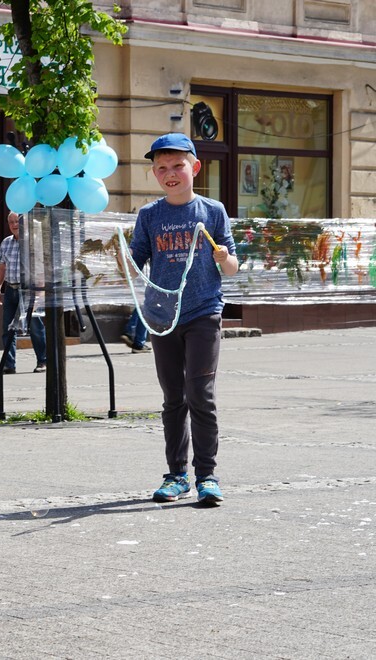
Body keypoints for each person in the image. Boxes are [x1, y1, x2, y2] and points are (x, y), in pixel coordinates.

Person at [130, 133, 238, 506]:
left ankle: (207, 475)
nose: (170, 173)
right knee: (173, 398)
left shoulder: (213, 211)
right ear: (155, 174)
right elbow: (134, 264)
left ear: (194, 167)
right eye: (162, 168)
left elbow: (234, 268)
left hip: (204, 313)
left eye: (178, 166)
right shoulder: (149, 215)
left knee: (200, 395)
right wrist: (113, 259)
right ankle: (176, 475)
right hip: (162, 317)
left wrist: (224, 257)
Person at [0, 211, 46, 375]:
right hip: (11, 289)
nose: (14, 225)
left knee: (36, 327)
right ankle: (9, 364)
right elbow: (2, 266)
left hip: (29, 291)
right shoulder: (6, 242)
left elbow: (40, 269)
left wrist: (39, 296)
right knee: (7, 328)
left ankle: (43, 361)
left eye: (17, 221)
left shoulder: (34, 243)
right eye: (11, 222)